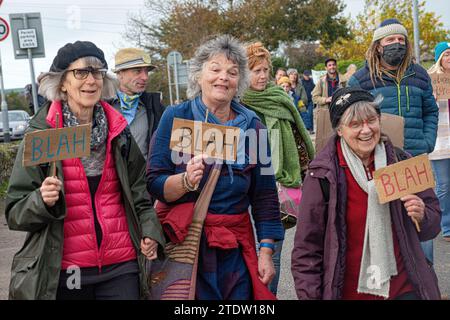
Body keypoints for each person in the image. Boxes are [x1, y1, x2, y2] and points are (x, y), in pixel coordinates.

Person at [5, 41, 165, 300]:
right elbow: (15, 213)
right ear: (62, 83)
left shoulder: (119, 132)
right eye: (81, 72)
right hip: (67, 270)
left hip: (120, 266)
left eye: (97, 72)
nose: (91, 80)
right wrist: (41, 200)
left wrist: (149, 230)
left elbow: (140, 196)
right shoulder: (42, 134)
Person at [146, 35, 284, 300]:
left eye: (232, 73)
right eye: (215, 69)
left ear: (239, 83)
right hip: (186, 243)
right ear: (199, 75)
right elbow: (154, 182)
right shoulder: (176, 117)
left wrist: (266, 251)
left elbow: (265, 195)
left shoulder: (253, 128)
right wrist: (185, 180)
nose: (224, 78)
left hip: (235, 248)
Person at [291, 87, 441, 300]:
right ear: (340, 130)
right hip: (350, 293)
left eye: (371, 120)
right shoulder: (323, 176)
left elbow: (432, 225)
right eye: (355, 124)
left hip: (404, 289)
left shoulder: (401, 162)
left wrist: (422, 215)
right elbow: (307, 249)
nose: (366, 130)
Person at [348, 18, 439, 263]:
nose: (396, 44)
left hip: (415, 160)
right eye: (390, 40)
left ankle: (425, 279)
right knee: (384, 228)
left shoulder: (419, 75)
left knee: (421, 221)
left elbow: (431, 110)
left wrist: (427, 140)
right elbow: (350, 120)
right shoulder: (360, 79)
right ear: (379, 45)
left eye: (401, 39)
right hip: (378, 163)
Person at [241, 42, 315, 296]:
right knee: (245, 255)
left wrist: (302, 176)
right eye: (255, 70)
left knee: (273, 255)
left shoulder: (280, 99)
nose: (262, 76)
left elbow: (300, 141)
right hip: (243, 190)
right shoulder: (235, 104)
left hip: (277, 189)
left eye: (265, 70)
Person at [109, 48, 165, 160]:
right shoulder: (105, 108)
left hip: (146, 177)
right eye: (137, 71)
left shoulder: (155, 107)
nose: (145, 77)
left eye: (146, 71)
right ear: (120, 74)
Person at [428, 41, 450, 242]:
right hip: (440, 141)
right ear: (439, 59)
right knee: (444, 185)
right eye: (446, 54)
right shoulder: (432, 80)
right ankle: (446, 225)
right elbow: (427, 108)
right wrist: (433, 97)